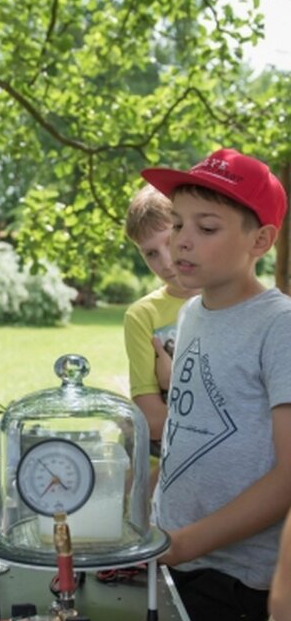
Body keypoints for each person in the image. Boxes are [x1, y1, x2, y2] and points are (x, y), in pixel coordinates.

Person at [141, 147, 291, 621]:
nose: (181, 239)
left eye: (206, 227)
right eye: (178, 223)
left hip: (232, 573)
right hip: (173, 550)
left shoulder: (280, 327)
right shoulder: (189, 313)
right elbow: (188, 436)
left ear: (260, 241)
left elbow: (288, 476)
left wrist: (182, 544)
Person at [123, 185, 200, 454]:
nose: (166, 262)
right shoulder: (142, 315)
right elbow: (152, 421)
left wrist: (176, 378)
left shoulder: (230, 300)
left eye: (168, 242)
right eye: (151, 253)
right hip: (165, 459)